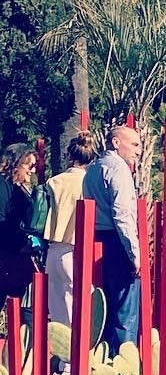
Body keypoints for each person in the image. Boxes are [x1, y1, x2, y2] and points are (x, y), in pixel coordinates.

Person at [83, 123, 143, 353]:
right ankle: (124, 363)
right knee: (125, 308)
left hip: (96, 239)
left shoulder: (93, 169)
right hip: (117, 241)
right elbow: (122, 214)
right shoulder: (118, 169)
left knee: (104, 307)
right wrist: (134, 254)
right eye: (134, 144)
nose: (138, 151)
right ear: (116, 143)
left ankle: (103, 359)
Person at [39, 131, 99, 360]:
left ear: (69, 155)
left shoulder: (54, 181)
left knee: (58, 311)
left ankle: (63, 362)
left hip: (53, 248)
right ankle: (78, 362)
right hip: (76, 249)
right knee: (82, 309)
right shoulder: (90, 183)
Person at [0, 143, 42, 299]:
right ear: (16, 164)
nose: (33, 171)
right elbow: (2, 223)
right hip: (7, 253)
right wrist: (22, 244)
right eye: (29, 166)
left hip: (14, 253)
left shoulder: (17, 187)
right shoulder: (3, 186)